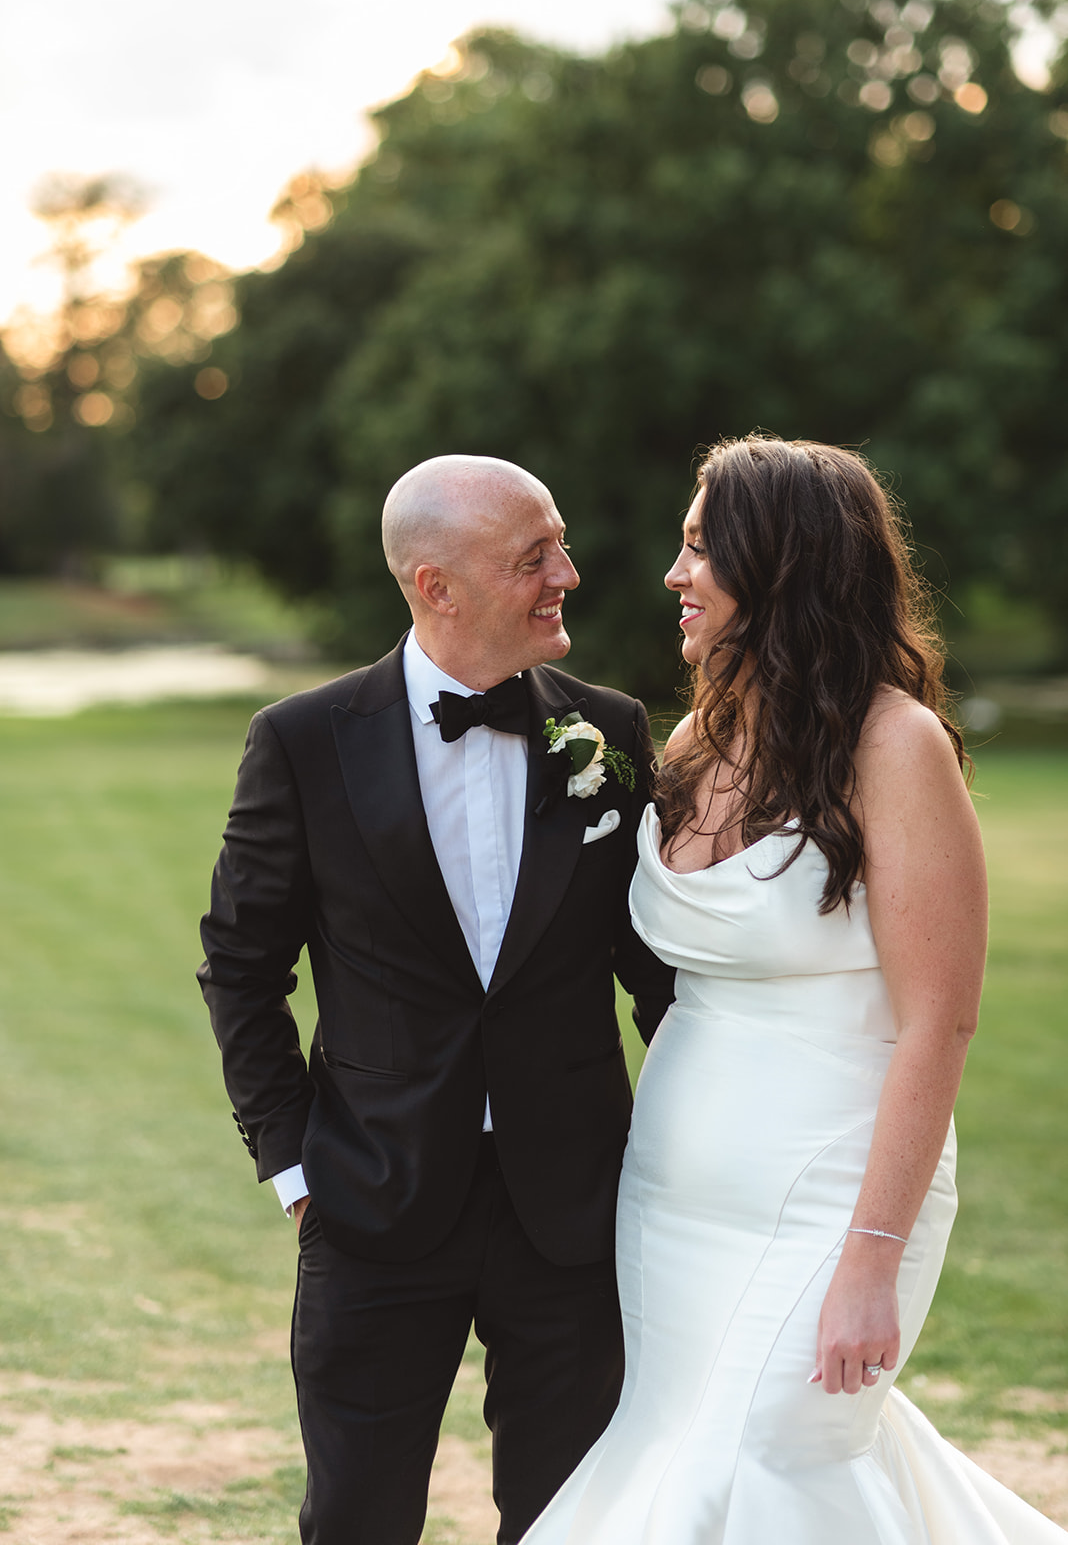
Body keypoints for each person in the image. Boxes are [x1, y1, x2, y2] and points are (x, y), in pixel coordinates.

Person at [519, 436, 1067, 1543]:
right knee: (682, 1443)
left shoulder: (896, 744)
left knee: (770, 1457)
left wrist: (872, 1254)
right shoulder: (696, 736)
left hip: (833, 1192)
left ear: (781, 565)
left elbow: (939, 1024)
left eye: (698, 549)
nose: (674, 575)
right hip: (674, 1195)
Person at [198, 454, 676, 1545]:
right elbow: (239, 962)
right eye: (534, 556)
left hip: (572, 1207)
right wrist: (292, 1164)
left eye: (558, 543)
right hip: (371, 1199)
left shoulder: (610, 730)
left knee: (572, 1520)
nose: (569, 571)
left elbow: (658, 976)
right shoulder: (304, 739)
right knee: (358, 1518)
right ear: (436, 584)